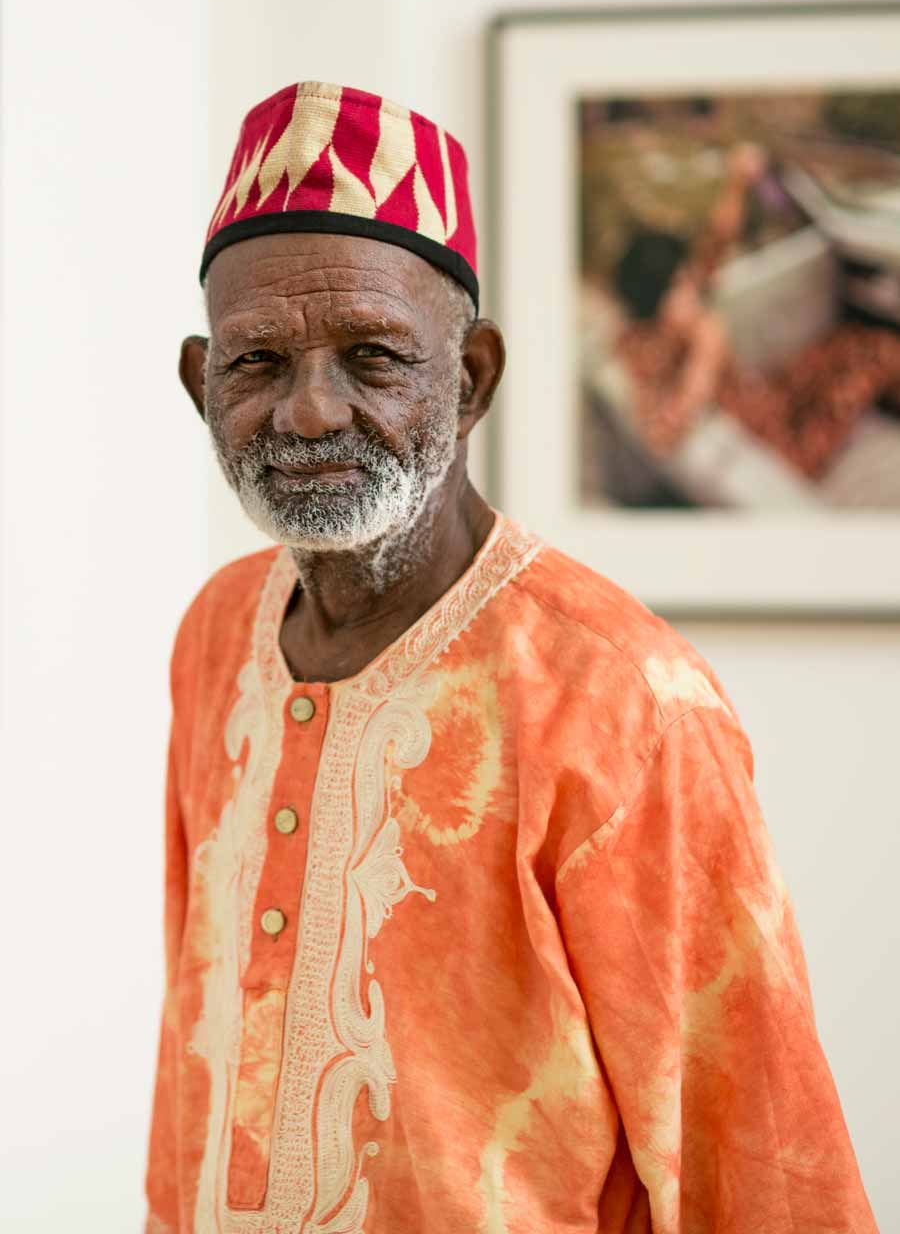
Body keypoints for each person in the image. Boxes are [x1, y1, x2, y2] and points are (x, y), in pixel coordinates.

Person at [144, 82, 878, 1233]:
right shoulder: (214, 638)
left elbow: (759, 1164)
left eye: (373, 357)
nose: (309, 413)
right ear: (200, 385)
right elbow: (196, 1069)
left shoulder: (627, 700)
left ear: (473, 378)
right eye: (256, 364)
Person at [612, 141, 900, 476]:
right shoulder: (643, 350)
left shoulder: (682, 307)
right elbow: (660, 436)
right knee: (875, 360)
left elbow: (715, 243)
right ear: (653, 298)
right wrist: (704, 357)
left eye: (687, 278)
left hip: (769, 397)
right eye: (681, 284)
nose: (693, 286)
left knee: (858, 342)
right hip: (783, 446)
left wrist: (737, 181)